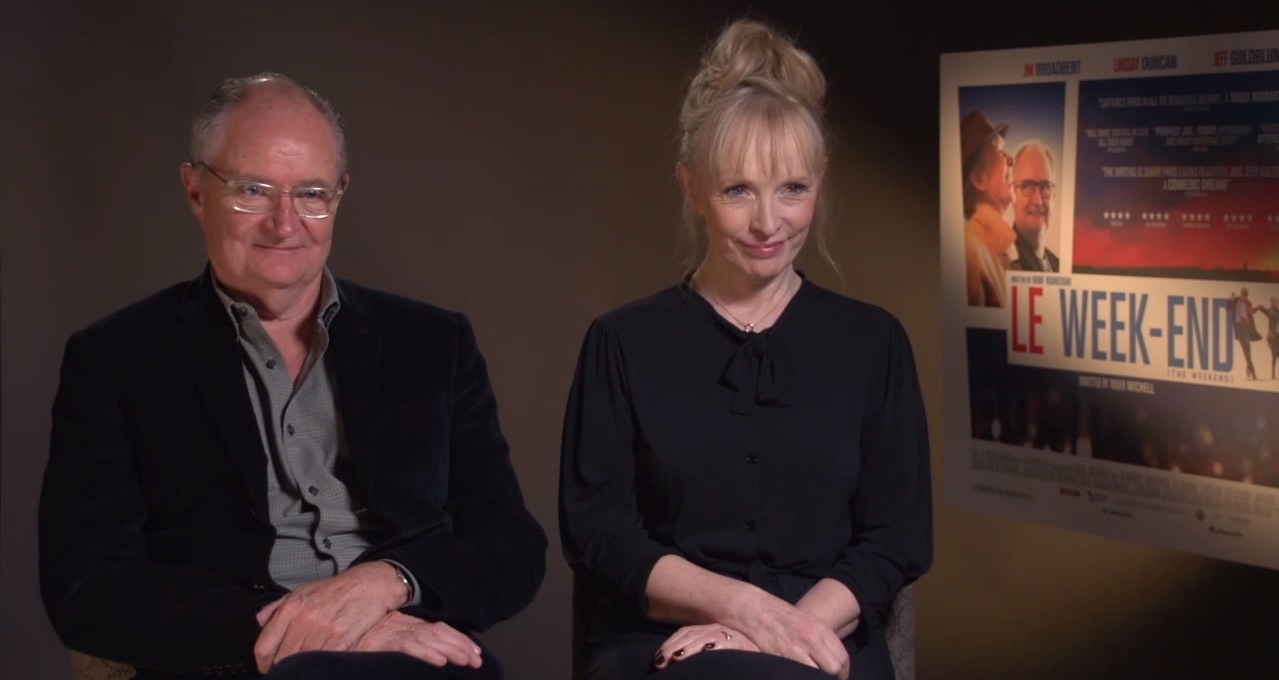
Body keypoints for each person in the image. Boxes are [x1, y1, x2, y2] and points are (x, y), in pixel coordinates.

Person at [38, 72, 547, 680]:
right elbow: (88, 587)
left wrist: (387, 584)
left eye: (311, 194)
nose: (285, 224)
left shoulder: (433, 342)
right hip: (231, 659)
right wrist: (311, 627)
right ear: (195, 190)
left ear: (340, 195)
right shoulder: (116, 357)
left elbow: (508, 543)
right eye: (253, 191)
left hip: (412, 650)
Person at [558, 19, 933, 680]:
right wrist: (744, 610)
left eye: (793, 189)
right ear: (690, 186)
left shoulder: (874, 342)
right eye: (738, 191)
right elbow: (600, 535)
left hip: (825, 637)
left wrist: (777, 631)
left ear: (820, 183)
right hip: (667, 641)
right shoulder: (621, 342)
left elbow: (896, 537)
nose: (768, 222)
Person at [960, 110, 1016, 307]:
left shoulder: (995, 250)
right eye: (1000, 152)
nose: (1011, 159)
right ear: (978, 179)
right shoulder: (972, 254)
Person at [1007, 141, 1060, 272]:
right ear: (1013, 194)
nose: (1038, 201)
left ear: (1054, 196)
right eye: (1028, 186)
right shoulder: (1003, 262)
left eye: (1045, 187)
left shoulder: (1058, 265)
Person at [1229, 287, 1262, 380]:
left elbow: (1251, 312)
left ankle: (1251, 371)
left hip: (1246, 329)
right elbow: (1228, 308)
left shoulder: (1248, 303)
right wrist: (1231, 300)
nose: (1245, 297)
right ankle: (1252, 371)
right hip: (1239, 329)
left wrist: (1257, 308)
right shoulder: (1236, 300)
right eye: (1243, 295)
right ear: (1241, 294)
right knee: (1246, 352)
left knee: (1248, 350)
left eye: (1246, 295)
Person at [1261, 296, 1279, 380]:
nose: (1276, 303)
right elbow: (1265, 311)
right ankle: (1273, 373)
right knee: (1275, 354)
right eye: (1274, 302)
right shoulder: (1270, 311)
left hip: (1276, 335)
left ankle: (1273, 373)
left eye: (1276, 302)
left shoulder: (1277, 312)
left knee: (1276, 354)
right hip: (1272, 335)